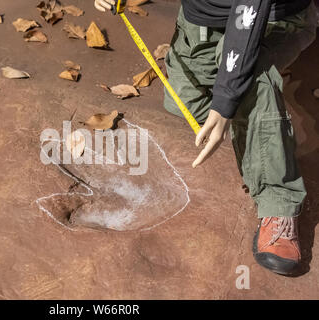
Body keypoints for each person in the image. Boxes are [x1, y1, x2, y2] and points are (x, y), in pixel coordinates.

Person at [94, 0, 318, 275]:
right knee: (183, 102)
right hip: (203, 18)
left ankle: (279, 201)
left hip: (271, 17)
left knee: (247, 77)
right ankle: (259, 119)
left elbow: (248, 14)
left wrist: (227, 99)